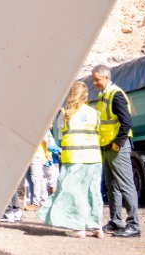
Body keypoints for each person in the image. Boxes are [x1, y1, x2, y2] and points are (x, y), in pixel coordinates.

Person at [44, 82, 105, 237]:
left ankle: (78, 227)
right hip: (94, 157)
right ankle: (96, 226)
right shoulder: (95, 113)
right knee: (93, 191)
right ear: (86, 95)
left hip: (74, 157)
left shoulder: (65, 114)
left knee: (75, 191)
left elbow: (58, 137)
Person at [91, 67, 140, 238]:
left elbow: (127, 122)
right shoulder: (103, 95)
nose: (95, 83)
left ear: (106, 77)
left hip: (117, 146)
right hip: (108, 146)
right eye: (93, 79)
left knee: (126, 185)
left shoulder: (115, 94)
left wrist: (118, 142)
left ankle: (134, 225)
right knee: (112, 185)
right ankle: (116, 221)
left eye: (97, 79)